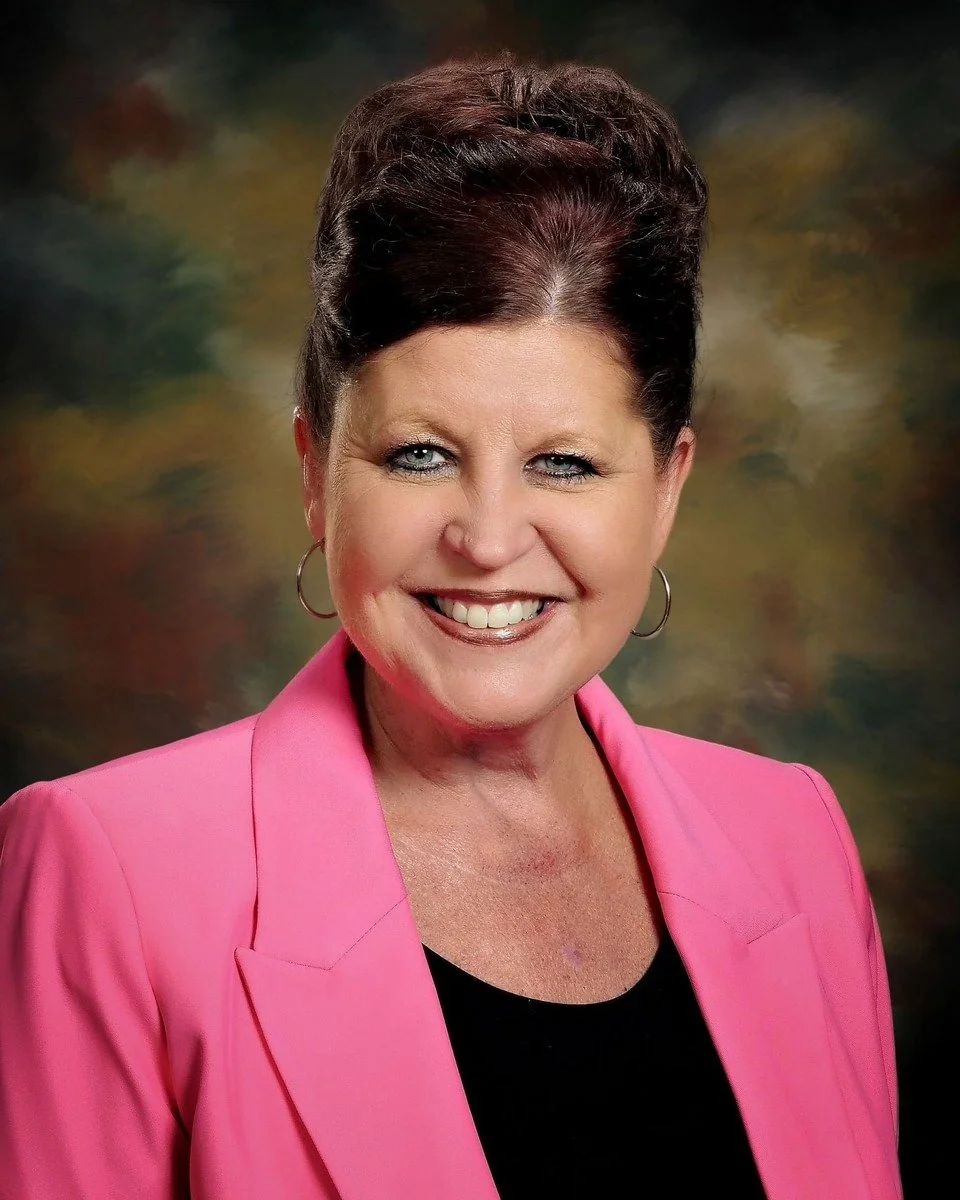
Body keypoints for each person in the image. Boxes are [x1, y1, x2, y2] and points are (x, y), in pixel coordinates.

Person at [0, 53, 902, 1200]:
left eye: (564, 464)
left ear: (667, 488)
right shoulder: (107, 872)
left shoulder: (795, 838)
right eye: (420, 454)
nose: (487, 538)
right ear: (317, 471)